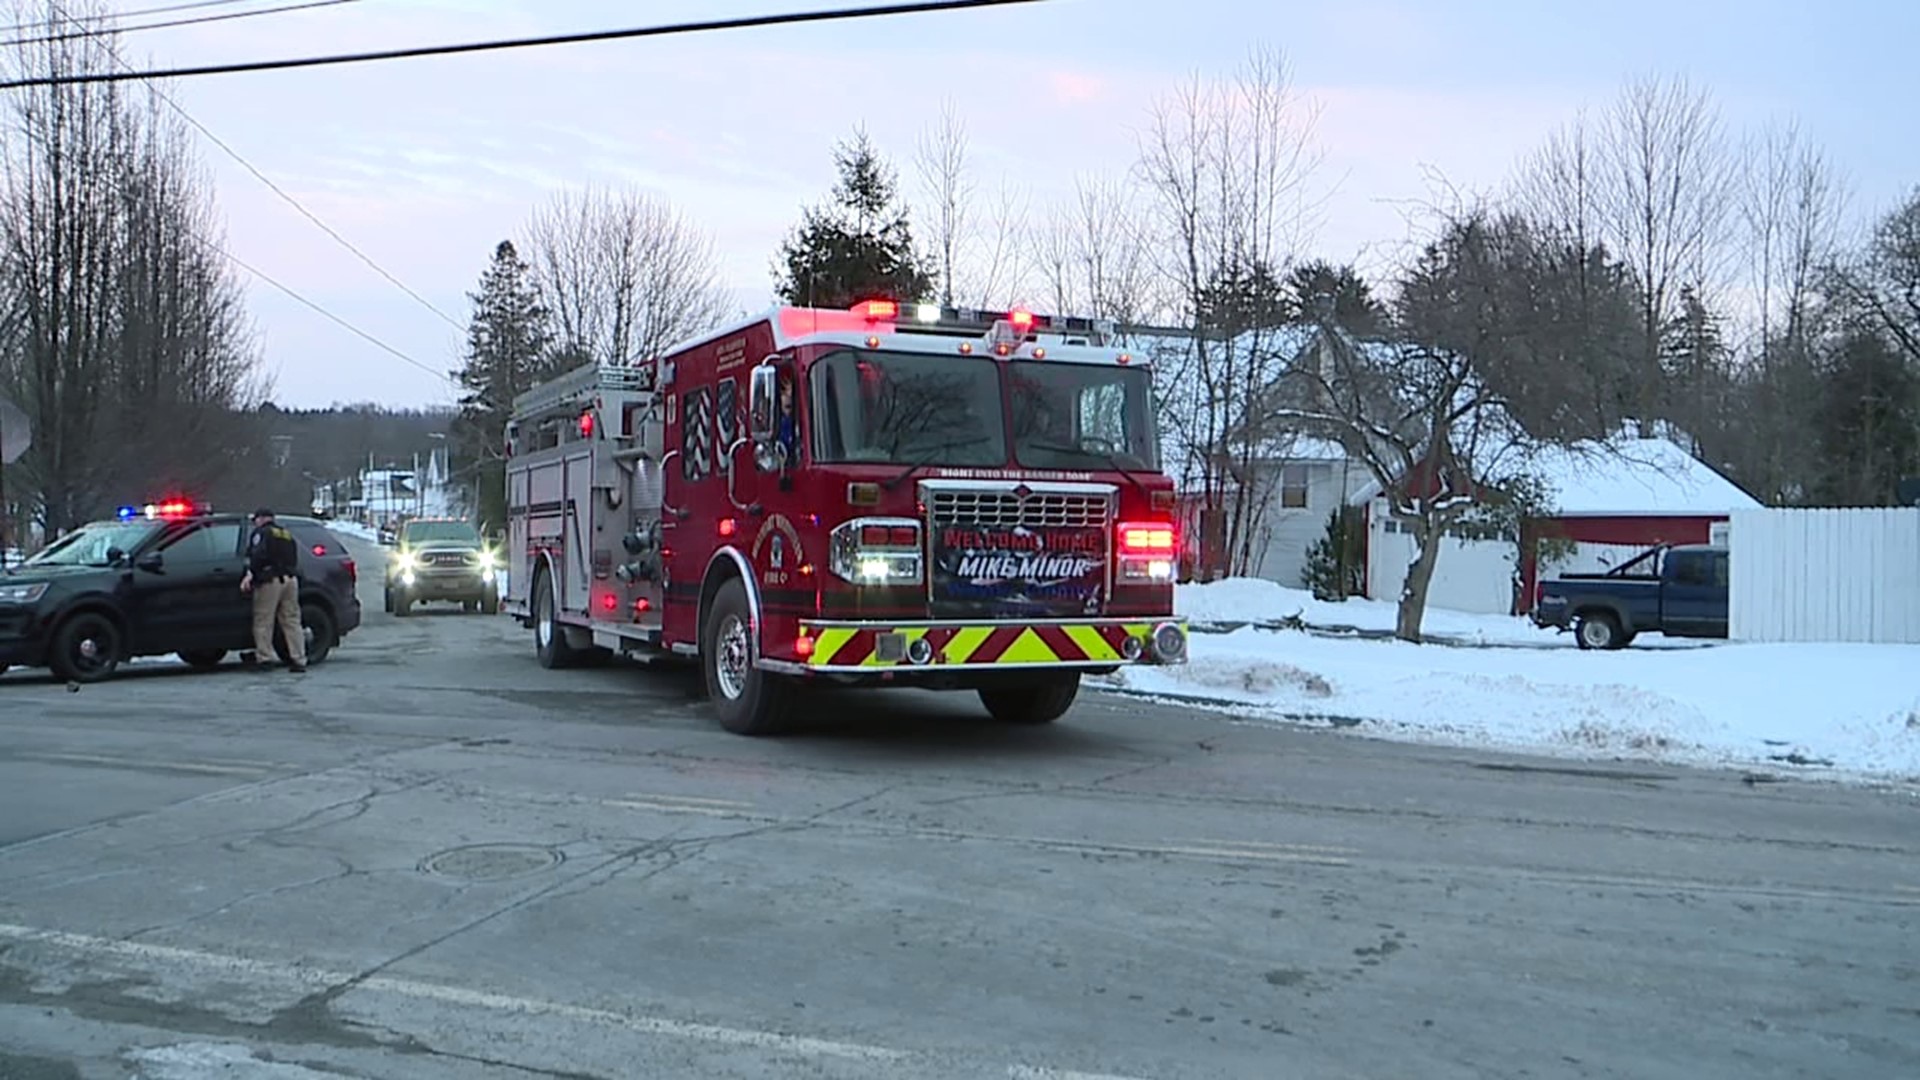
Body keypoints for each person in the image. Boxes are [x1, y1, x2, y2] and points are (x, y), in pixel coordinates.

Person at [241, 507, 306, 672]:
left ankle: (265, 659)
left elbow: (258, 555)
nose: (255, 523)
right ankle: (298, 659)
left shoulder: (261, 533)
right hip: (290, 580)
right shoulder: (285, 533)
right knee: (291, 621)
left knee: (263, 620)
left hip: (270, 581)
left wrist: (251, 574)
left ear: (261, 519)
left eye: (255, 519)